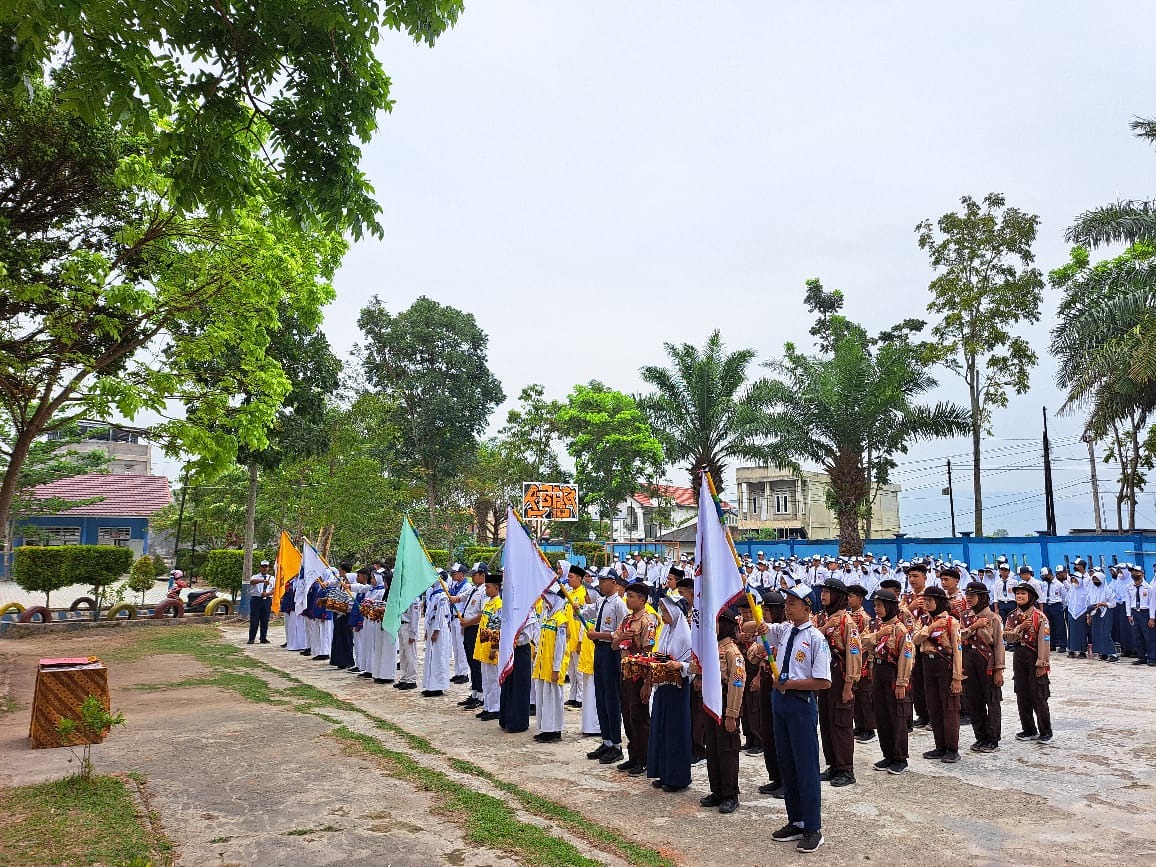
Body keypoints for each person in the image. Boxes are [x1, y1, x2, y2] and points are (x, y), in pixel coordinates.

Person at [768, 584, 831, 854]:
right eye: (786, 603)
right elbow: (755, 630)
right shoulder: (784, 631)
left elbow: (823, 681)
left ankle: (813, 827)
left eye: (792, 603)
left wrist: (791, 684)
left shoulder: (816, 638)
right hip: (780, 702)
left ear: (807, 607)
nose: (787, 607)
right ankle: (796, 819)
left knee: (805, 766)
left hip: (800, 703)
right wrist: (755, 626)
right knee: (787, 763)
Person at [813, 577, 862, 787]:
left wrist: (849, 684)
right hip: (824, 676)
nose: (823, 595)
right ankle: (833, 764)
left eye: (828, 592)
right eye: (822, 591)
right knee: (826, 720)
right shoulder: (823, 618)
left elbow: (854, 653)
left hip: (840, 676)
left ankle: (846, 769)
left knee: (841, 723)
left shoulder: (846, 622)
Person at [699, 607, 745, 814]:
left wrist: (732, 714)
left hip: (726, 702)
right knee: (713, 747)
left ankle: (730, 794)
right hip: (712, 701)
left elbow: (737, 683)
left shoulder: (732, 652)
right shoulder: (712, 649)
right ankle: (716, 790)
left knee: (727, 749)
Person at [646, 595, 693, 792]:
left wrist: (679, 665)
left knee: (675, 731)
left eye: (666, 611)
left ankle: (677, 777)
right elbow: (660, 653)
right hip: (663, 685)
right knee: (661, 727)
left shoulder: (685, 635)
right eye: (662, 611)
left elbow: (693, 665)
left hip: (677, 688)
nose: (663, 615)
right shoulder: (664, 631)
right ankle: (663, 772)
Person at [913, 585, 963, 763]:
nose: (926, 604)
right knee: (933, 706)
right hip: (928, 664)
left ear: (940, 601)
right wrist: (932, 626)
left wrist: (957, 677)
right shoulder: (924, 620)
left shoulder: (951, 622)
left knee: (949, 707)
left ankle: (952, 748)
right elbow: (915, 639)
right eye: (925, 600)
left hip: (945, 665)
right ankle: (939, 745)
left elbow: (957, 650)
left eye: (930, 600)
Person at [584, 569, 628, 765]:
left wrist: (599, 635)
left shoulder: (619, 605)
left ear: (613, 582)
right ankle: (606, 740)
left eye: (603, 581)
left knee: (611, 698)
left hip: (612, 653)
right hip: (599, 651)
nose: (600, 584)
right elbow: (586, 612)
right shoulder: (601, 601)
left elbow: (622, 633)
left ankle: (617, 745)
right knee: (600, 695)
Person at [612, 580, 656, 775]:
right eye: (627, 596)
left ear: (642, 600)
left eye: (631, 596)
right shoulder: (627, 620)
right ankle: (633, 756)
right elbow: (614, 645)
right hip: (625, 671)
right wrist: (622, 637)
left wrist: (647, 682)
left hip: (639, 673)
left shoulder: (648, 621)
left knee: (639, 717)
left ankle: (644, 758)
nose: (627, 599)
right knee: (627, 715)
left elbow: (649, 651)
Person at [1005, 581, 1053, 743]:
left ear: (1031, 596)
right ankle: (1028, 729)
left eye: (1023, 594)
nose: (1019, 596)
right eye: (1017, 593)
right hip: (1019, 656)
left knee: (1038, 695)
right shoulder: (1012, 616)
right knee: (1022, 694)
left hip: (1034, 657)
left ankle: (1046, 731)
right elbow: (1007, 636)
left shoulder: (1040, 617)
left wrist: (1042, 663)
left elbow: (1044, 641)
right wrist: (1019, 628)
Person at [960, 581, 1004, 752]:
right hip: (969, 662)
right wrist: (974, 626)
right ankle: (980, 737)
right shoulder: (964, 617)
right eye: (968, 595)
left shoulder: (993, 618)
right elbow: (959, 636)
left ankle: (993, 739)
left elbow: (998, 645)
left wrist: (999, 669)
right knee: (974, 701)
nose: (969, 599)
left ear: (983, 597)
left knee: (992, 701)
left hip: (987, 662)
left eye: (973, 595)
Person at [532, 584, 569, 742]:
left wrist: (556, 668)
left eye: (548, 597)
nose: (545, 600)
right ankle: (545, 728)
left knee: (553, 698)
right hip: (541, 665)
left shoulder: (560, 620)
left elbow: (560, 647)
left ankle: (554, 730)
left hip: (552, 666)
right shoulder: (546, 615)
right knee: (542, 698)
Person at [845, 584, 875, 744]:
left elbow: (868, 642)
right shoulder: (848, 616)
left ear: (860, 599)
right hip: (852, 658)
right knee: (855, 694)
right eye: (848, 596)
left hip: (862, 659)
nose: (849, 600)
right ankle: (859, 725)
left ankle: (869, 728)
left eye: (851, 597)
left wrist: (869, 663)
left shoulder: (865, 618)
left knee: (864, 694)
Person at [457, 563, 489, 710]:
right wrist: (452, 597)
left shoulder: (485, 591)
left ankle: (481, 695)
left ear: (482, 575)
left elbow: (483, 614)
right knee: (471, 661)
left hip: (476, 629)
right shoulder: (473, 589)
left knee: (477, 663)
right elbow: (459, 598)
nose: (472, 576)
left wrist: (467, 622)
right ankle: (475, 692)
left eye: (474, 574)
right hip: (468, 628)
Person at [473, 571, 503, 721]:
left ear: (497, 588)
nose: (486, 590)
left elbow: (498, 628)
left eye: (489, 587)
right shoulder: (488, 603)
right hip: (483, 645)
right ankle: (487, 705)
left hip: (492, 648)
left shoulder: (499, 604)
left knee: (493, 679)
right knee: (486, 678)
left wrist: (494, 647)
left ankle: (495, 707)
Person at [422, 579, 453, 697]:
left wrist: (436, 630)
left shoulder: (442, 596)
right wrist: (426, 630)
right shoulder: (434, 594)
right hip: (432, 626)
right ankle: (430, 685)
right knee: (431, 656)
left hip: (438, 628)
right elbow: (429, 613)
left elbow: (440, 615)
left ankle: (438, 686)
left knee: (438, 656)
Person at [446, 563, 473, 685]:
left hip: (460, 618)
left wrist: (465, 621)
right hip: (453, 618)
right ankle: (458, 672)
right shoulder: (455, 585)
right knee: (456, 647)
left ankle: (464, 673)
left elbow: (467, 605)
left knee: (461, 647)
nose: (452, 575)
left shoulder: (466, 586)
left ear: (461, 574)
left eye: (454, 573)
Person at [1085, 569, 1118, 662]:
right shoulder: (1091, 590)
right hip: (1094, 613)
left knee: (1105, 633)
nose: (1096, 582)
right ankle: (1102, 653)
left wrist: (1103, 604)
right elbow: (1087, 603)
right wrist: (1088, 615)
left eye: (1097, 580)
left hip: (1105, 612)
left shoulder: (1107, 590)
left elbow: (1113, 603)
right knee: (1096, 633)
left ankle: (1112, 653)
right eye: (1094, 580)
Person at [1126, 564, 1155, 666]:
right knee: (1137, 636)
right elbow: (1128, 601)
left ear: (1142, 574)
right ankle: (1142, 657)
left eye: (1137, 572)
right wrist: (1129, 614)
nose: (1134, 574)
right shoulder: (1129, 587)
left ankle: (1152, 658)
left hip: (1145, 612)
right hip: (1134, 612)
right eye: (1133, 572)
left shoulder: (1149, 588)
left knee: (1149, 636)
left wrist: (1152, 618)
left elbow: (1152, 603)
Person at [328, 563, 356, 670]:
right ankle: (339, 660)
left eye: (348, 580)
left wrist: (342, 607)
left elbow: (351, 604)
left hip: (346, 616)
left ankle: (348, 660)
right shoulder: (342, 586)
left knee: (347, 639)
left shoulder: (353, 591)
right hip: (339, 615)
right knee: (339, 638)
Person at [394, 595, 422, 690]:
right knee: (402, 654)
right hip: (401, 625)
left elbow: (415, 617)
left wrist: (413, 633)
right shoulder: (403, 596)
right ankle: (404, 677)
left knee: (410, 654)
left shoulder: (414, 598)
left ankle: (411, 679)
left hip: (408, 627)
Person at [247, 560, 274, 644]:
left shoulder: (272, 578)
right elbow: (252, 582)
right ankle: (251, 638)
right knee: (254, 620)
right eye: (263, 567)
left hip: (267, 600)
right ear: (260, 567)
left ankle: (263, 637)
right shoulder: (255, 576)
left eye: (266, 567)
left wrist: (267, 594)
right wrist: (262, 581)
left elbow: (274, 589)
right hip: (256, 600)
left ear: (268, 568)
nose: (264, 568)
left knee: (265, 620)